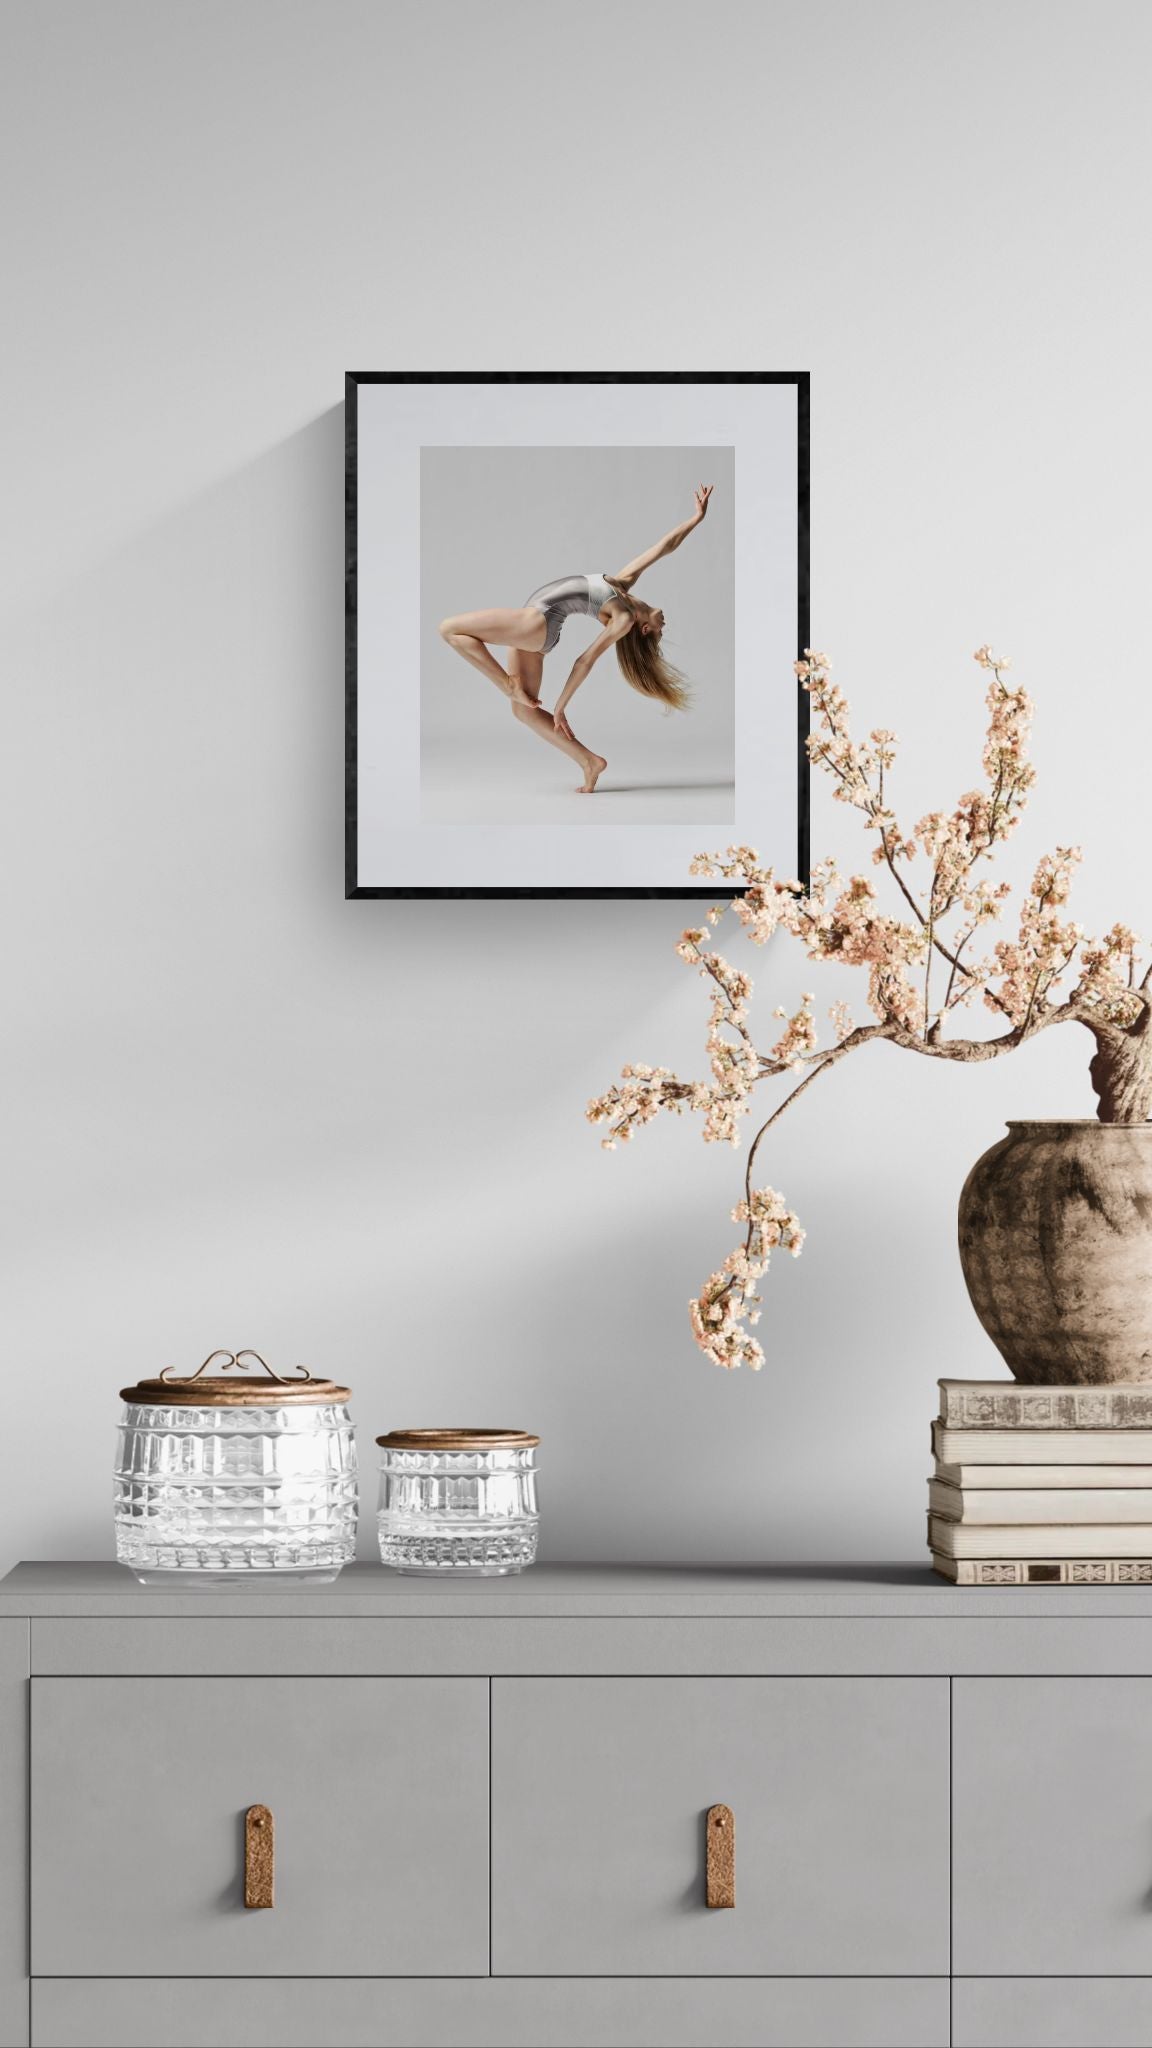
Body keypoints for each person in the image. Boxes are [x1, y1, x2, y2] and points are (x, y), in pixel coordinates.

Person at [438, 484, 713, 793]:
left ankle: (506, 685)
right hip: (538, 628)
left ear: (645, 628)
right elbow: (665, 546)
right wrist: (696, 519)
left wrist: (560, 707)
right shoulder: (623, 585)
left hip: (536, 621)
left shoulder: (622, 618)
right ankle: (589, 761)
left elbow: (585, 661)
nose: (666, 624)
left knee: (450, 629)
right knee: (522, 710)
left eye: (661, 630)